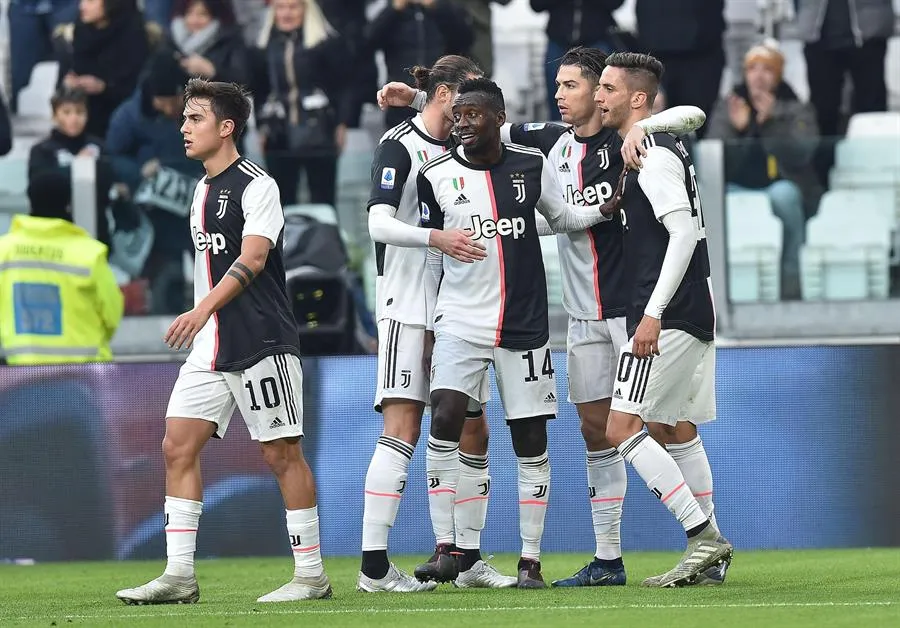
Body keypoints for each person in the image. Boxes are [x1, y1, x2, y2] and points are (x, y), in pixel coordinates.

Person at [377, 47, 715, 588]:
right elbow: (484, 121)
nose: (563, 94)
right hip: (582, 315)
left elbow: (691, 115)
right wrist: (420, 99)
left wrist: (646, 124)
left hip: (634, 307)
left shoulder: (630, 138)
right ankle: (609, 558)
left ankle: (707, 539)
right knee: (596, 430)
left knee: (666, 425)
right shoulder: (544, 144)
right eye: (561, 85)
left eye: (576, 86)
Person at [115, 78, 331, 604]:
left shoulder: (259, 185)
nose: (183, 128)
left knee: (281, 454)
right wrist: (205, 319)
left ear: (226, 127)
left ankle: (311, 576)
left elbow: (254, 259)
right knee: (176, 446)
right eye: (184, 118)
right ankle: (179, 576)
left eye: (195, 119)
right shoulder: (200, 188)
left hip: (259, 339)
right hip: (210, 343)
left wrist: (200, 309)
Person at [419, 77, 613, 588]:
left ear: (499, 116)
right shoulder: (434, 175)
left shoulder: (531, 163)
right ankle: (446, 549)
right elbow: (429, 248)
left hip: (525, 324)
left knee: (530, 439)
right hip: (460, 318)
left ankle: (530, 560)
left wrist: (605, 209)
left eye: (472, 114)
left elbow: (563, 216)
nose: (461, 122)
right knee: (445, 415)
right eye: (456, 114)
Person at [360, 56, 516, 593]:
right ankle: (374, 569)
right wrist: (436, 239)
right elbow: (377, 222)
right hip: (407, 303)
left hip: (459, 310)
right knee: (402, 426)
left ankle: (466, 559)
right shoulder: (398, 146)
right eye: (463, 102)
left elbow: (508, 127)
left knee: (474, 428)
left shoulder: (461, 147)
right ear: (447, 95)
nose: (470, 117)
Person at [594, 52, 733, 587]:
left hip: (667, 314)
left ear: (637, 98)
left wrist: (650, 315)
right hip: (690, 308)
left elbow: (683, 235)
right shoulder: (656, 142)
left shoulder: (650, 154)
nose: (599, 95)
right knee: (673, 430)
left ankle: (703, 537)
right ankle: (710, 555)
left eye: (607, 87)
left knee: (621, 427)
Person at [706, 41, 820, 299]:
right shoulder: (729, 106)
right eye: (752, 68)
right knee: (715, 202)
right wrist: (741, 130)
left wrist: (773, 121)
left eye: (767, 69)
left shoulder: (795, 107)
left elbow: (803, 153)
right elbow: (716, 159)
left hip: (781, 184)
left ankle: (791, 282)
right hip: (735, 185)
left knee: (785, 197)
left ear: (777, 75)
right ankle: (723, 289)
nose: (758, 75)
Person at [0, 170, 123, 365]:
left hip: (19, 373)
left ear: (30, 201)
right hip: (82, 376)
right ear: (68, 203)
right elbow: (112, 313)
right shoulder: (89, 253)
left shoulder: (4, 251)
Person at [253, 0, 352, 207]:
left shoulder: (326, 43)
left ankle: (324, 239)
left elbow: (343, 85)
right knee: (281, 200)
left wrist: (342, 124)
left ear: (306, 10)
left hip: (319, 128)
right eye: (280, 7)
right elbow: (260, 91)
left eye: (293, 7)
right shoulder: (264, 46)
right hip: (278, 131)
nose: (286, 13)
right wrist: (261, 127)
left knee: (323, 198)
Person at [54, 0, 152, 138]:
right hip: (85, 114)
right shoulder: (81, 29)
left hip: (120, 114)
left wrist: (104, 87)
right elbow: (67, 76)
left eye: (91, 1)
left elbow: (138, 86)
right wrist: (70, 84)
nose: (82, 6)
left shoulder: (132, 33)